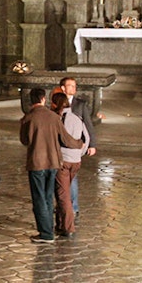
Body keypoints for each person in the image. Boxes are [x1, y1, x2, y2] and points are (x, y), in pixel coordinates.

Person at [20, 87, 82, 243]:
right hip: (54, 162)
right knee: (48, 196)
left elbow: (24, 141)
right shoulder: (54, 117)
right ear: (43, 99)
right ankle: (50, 229)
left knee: (39, 198)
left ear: (31, 101)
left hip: (36, 163)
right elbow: (66, 138)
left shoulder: (28, 118)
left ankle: (46, 233)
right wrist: (79, 143)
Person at [50, 92, 88, 238]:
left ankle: (68, 227)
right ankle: (61, 224)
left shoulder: (58, 120)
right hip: (75, 161)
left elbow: (59, 139)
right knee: (64, 193)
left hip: (63, 161)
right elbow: (87, 137)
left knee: (63, 195)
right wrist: (80, 153)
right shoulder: (77, 118)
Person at [59, 76, 97, 218]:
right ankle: (63, 204)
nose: (73, 88)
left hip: (74, 149)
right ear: (63, 88)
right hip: (60, 148)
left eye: (75, 86)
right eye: (70, 86)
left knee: (72, 178)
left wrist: (91, 144)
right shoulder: (56, 103)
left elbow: (88, 125)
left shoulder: (80, 104)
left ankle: (73, 207)